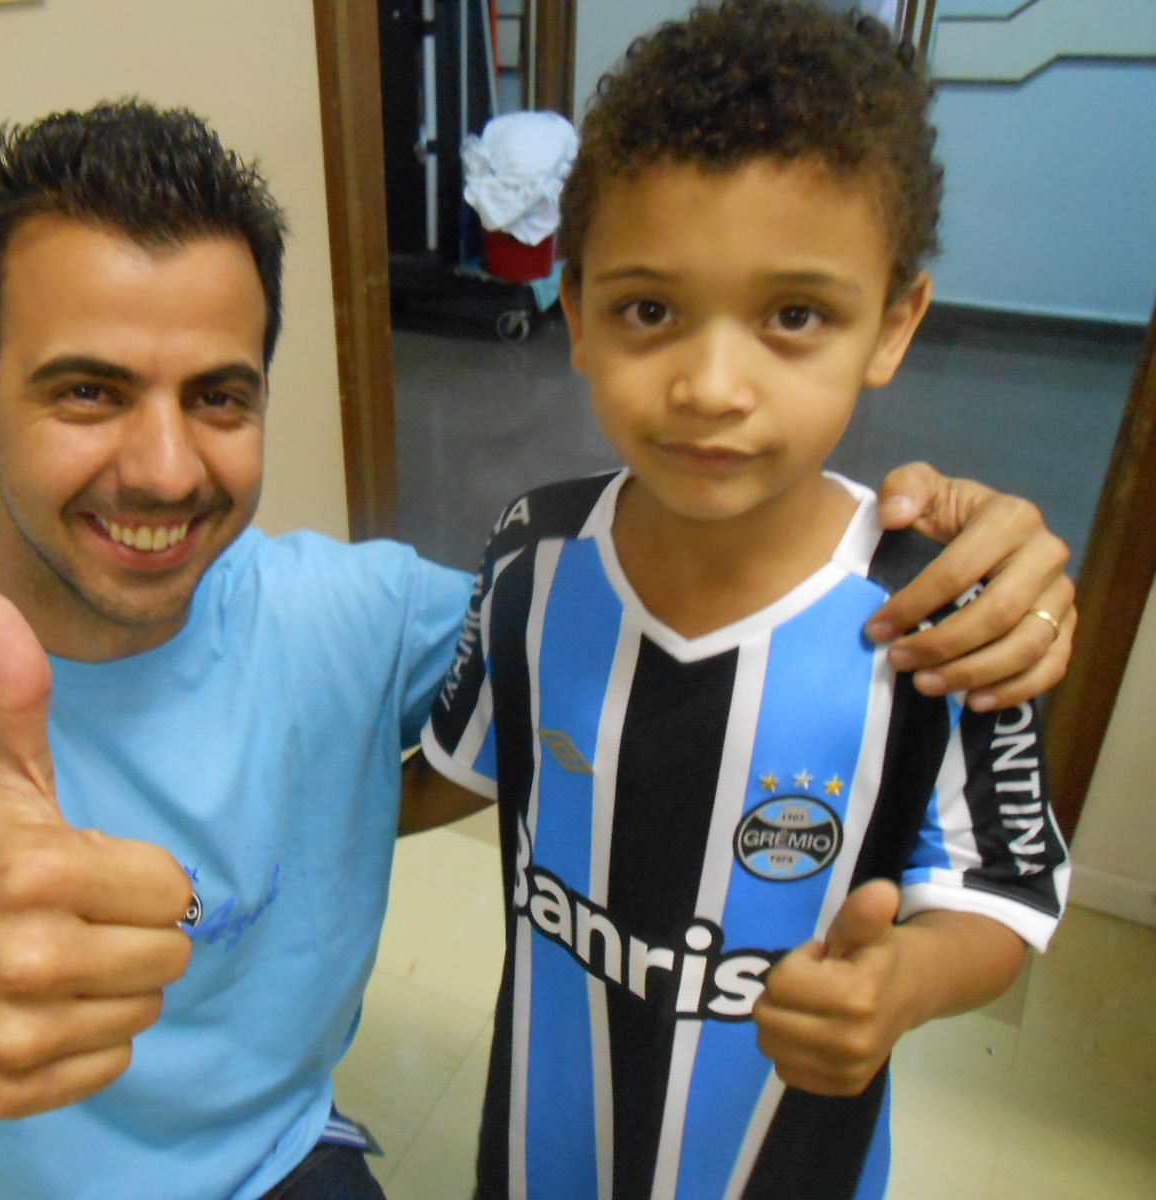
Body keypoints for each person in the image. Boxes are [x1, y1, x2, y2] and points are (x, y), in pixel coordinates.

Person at [0, 98, 1073, 1200]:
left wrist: (956, 538)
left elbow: (625, 641)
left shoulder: (360, 615)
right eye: (87, 391)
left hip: (288, 1169)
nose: (160, 467)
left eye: (219, 395)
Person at [408, 4, 1071, 1199]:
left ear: (893, 323)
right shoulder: (529, 553)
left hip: (783, 1167)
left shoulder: (939, 607)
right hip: (537, 1153)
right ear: (575, 316)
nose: (712, 387)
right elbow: (455, 764)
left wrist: (901, 987)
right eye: (648, 309)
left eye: (794, 316)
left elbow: (1003, 896)